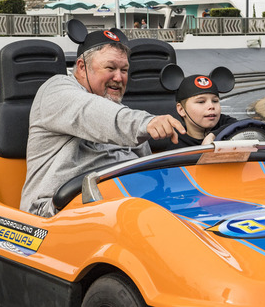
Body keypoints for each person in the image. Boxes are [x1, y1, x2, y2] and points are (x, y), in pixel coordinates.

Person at [21, 20, 185, 217]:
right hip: (54, 209)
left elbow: (146, 164)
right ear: (82, 67)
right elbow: (90, 111)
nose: (119, 77)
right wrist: (146, 123)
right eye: (110, 68)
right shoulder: (56, 91)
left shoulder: (117, 109)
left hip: (120, 199)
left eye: (124, 70)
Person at [160, 64, 238, 148]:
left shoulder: (225, 122)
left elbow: (247, 125)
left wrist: (213, 135)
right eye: (201, 102)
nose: (211, 106)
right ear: (181, 109)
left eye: (215, 101)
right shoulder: (175, 144)